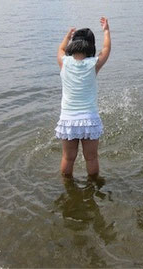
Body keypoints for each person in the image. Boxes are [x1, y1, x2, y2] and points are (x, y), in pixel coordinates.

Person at [55, 17, 111, 180]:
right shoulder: (94, 64)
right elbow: (106, 48)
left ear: (73, 44)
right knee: (91, 158)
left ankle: (67, 186)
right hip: (89, 119)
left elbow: (60, 49)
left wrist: (67, 36)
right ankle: (92, 186)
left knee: (67, 158)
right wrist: (106, 30)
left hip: (68, 119)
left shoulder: (64, 62)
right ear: (91, 46)